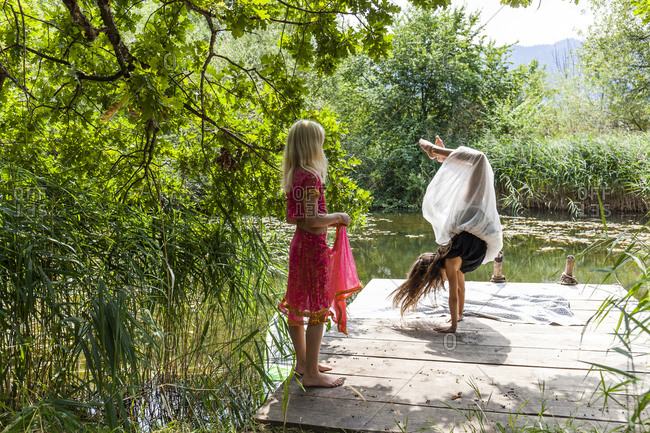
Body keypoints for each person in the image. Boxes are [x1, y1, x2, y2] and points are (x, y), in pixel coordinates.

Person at [392, 136, 503, 333]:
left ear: (435, 271)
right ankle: (442, 157)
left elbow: (454, 294)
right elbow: (461, 290)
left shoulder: (452, 263)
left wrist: (453, 325)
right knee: (477, 167)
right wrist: (458, 317)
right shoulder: (456, 265)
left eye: (438, 279)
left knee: (479, 161)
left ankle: (436, 152)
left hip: (470, 221)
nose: (443, 281)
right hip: (474, 224)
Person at [278, 119, 351, 388]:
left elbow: (295, 219)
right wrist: (338, 216)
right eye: (319, 141)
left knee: (297, 304)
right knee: (319, 308)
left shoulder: (294, 175)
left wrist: (325, 220)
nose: (322, 146)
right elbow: (312, 219)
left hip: (299, 245)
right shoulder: (310, 176)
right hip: (311, 248)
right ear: (311, 145)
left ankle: (303, 363)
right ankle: (311, 374)